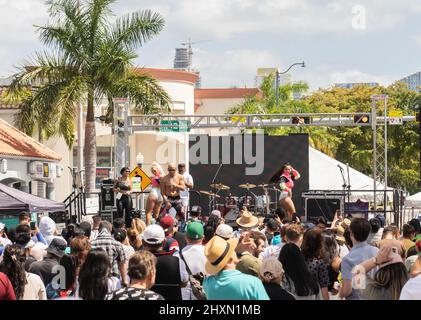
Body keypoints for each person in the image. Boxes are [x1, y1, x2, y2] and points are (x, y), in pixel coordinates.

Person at [203, 236, 269, 300]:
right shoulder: (252, 283)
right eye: (232, 250)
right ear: (231, 257)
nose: (234, 250)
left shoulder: (207, 283)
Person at [142, 224, 188, 300]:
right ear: (164, 242)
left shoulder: (137, 262)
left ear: (143, 242)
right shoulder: (177, 261)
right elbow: (184, 283)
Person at [338, 218, 379, 300]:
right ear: (368, 234)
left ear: (351, 234)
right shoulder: (377, 251)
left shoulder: (348, 259)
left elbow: (347, 290)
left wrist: (340, 292)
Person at [91, 221, 127, 286]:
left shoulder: (91, 244)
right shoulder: (117, 244)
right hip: (113, 279)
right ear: (110, 230)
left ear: (99, 230)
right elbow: (122, 264)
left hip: (95, 279)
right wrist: (124, 280)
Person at [179, 221, 207, 300]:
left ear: (185, 237)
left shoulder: (178, 255)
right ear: (203, 237)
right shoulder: (209, 254)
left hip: (185, 296)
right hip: (205, 295)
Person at [301, 228, 330, 300]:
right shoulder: (319, 262)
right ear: (320, 242)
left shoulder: (297, 257)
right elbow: (324, 287)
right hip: (313, 296)